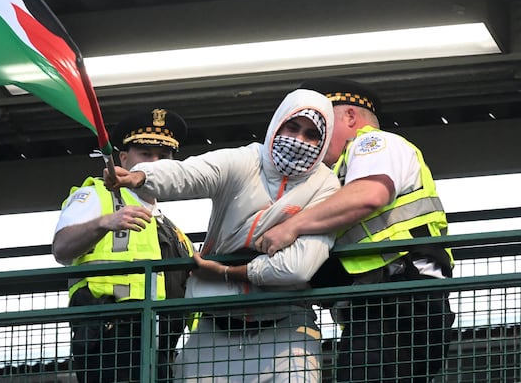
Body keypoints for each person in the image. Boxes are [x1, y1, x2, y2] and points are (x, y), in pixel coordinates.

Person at [106, 89, 341, 383]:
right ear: (277, 124)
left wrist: (226, 272)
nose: (298, 140)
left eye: (311, 135)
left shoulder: (327, 187)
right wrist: (142, 177)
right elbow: (191, 173)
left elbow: (297, 268)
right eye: (292, 127)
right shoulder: (245, 160)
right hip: (212, 330)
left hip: (287, 332)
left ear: (323, 141)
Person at [256, 78, 455, 382]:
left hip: (397, 299)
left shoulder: (373, 143)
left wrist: (292, 227)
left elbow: (371, 195)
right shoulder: (335, 173)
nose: (315, 137)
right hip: (386, 304)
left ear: (349, 117)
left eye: (322, 122)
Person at [52, 108, 195, 383]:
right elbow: (61, 247)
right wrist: (104, 222)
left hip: (162, 347)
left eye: (164, 157)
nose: (155, 163)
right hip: (109, 338)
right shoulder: (97, 195)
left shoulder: (175, 232)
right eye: (145, 154)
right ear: (123, 158)